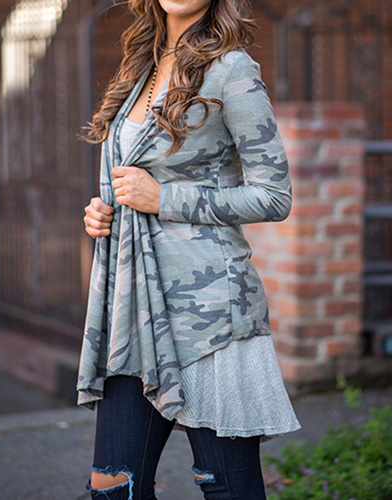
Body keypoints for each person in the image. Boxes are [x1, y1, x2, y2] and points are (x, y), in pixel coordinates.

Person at [77, 0, 302, 499]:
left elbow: (274, 196)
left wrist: (164, 199)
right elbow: (132, 177)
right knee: (113, 488)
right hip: (134, 310)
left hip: (208, 313)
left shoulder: (232, 70)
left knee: (227, 487)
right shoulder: (141, 64)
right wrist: (103, 212)